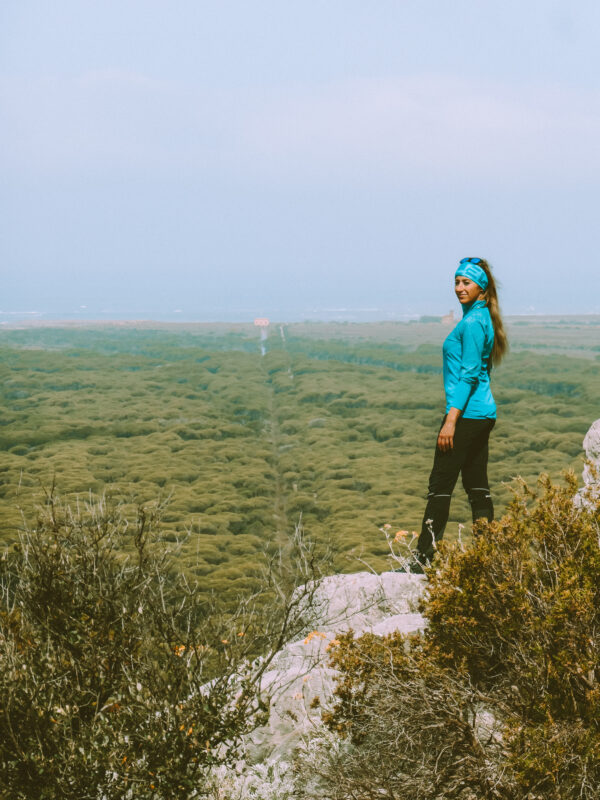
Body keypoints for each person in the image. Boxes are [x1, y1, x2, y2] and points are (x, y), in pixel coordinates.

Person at [409, 257, 508, 573]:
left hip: (465, 415)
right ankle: (487, 558)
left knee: (440, 485)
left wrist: (450, 421)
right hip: (481, 414)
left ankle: (424, 559)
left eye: (466, 282)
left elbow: (467, 376)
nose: (459, 288)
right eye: (457, 282)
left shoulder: (472, 323)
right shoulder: (481, 319)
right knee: (477, 485)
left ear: (482, 288)